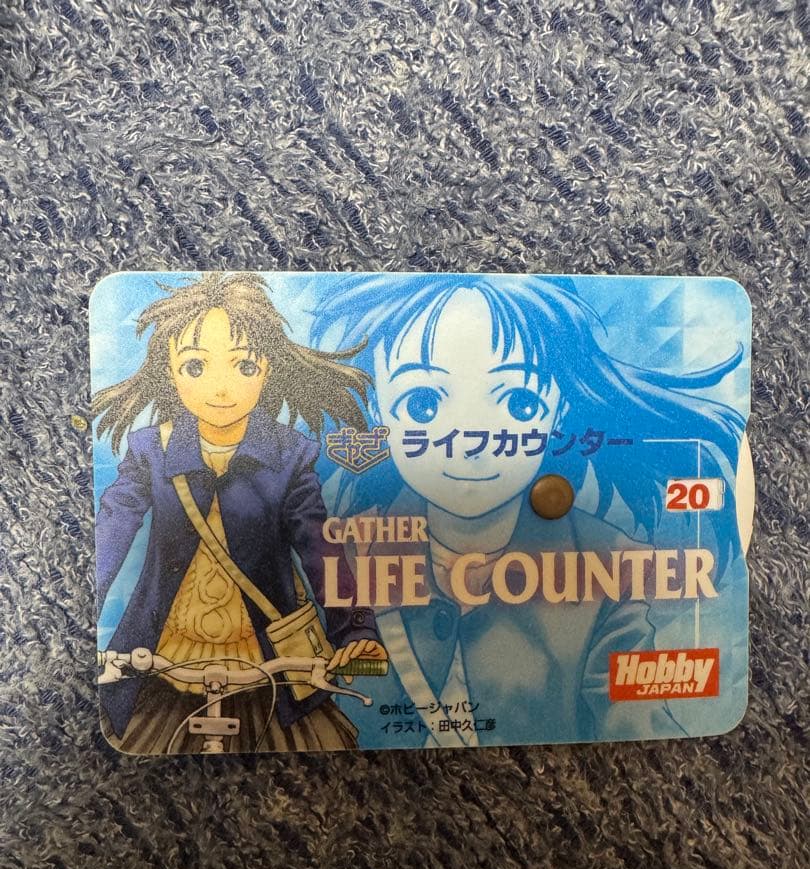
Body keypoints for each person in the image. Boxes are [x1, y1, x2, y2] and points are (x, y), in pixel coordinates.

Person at [309, 274, 746, 747]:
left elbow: (634, 716)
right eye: (423, 403)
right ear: (376, 406)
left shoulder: (610, 562)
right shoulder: (335, 554)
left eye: (519, 402)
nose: (470, 440)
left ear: (559, 410)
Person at [93, 272, 387, 754]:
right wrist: (81, 612)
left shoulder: (289, 455)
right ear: (170, 372)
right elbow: (110, 531)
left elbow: (320, 549)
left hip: (269, 665)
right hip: (166, 660)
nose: (221, 387)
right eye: (195, 366)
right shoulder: (151, 450)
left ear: (267, 368)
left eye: (244, 365)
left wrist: (355, 631)